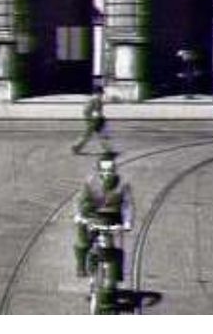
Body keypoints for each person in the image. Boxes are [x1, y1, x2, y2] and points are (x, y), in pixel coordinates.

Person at [73, 150, 134, 280]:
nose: (108, 173)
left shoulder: (122, 185)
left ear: (114, 170)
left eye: (111, 170)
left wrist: (128, 222)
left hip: (113, 219)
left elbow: (127, 205)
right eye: (105, 170)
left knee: (115, 247)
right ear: (99, 170)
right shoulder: (90, 183)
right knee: (83, 239)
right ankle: (81, 266)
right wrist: (79, 216)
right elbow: (80, 200)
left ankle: (116, 275)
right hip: (93, 217)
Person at [73, 85, 107, 154]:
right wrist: (101, 118)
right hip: (93, 119)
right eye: (101, 93)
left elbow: (85, 110)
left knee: (88, 134)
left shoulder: (91, 98)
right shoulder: (97, 99)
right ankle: (107, 149)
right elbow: (98, 111)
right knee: (101, 133)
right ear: (98, 92)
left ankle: (76, 146)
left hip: (89, 117)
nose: (102, 95)